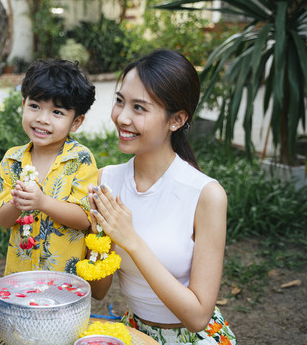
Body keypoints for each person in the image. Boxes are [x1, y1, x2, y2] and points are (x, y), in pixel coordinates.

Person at [87, 49, 237, 344]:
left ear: (176, 120)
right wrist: (99, 236)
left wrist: (130, 238)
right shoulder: (105, 181)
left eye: (139, 108)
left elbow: (197, 317)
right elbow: (99, 291)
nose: (123, 117)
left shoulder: (206, 195)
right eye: (120, 101)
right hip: (135, 332)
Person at [0, 59, 97, 275]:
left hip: (64, 284)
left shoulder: (80, 158)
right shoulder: (13, 160)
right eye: (35, 106)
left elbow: (84, 219)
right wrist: (17, 203)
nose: (42, 119)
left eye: (57, 112)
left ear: (76, 122)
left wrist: (42, 202)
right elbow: (3, 220)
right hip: (21, 280)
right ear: (23, 105)